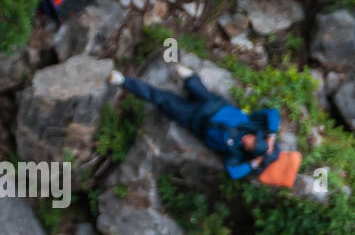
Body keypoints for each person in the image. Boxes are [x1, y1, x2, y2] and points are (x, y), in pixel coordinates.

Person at [107, 64, 281, 178]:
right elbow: (273, 113)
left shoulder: (235, 154)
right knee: (194, 84)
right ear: (260, 136)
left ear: (248, 152)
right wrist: (272, 136)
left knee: (162, 98)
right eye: (252, 138)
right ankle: (190, 77)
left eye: (249, 145)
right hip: (210, 102)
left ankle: (123, 81)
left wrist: (253, 164)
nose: (247, 140)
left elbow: (234, 172)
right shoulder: (256, 125)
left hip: (192, 118)